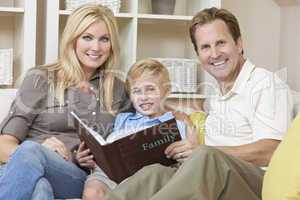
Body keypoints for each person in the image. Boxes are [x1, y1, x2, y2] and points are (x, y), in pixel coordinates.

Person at [100, 7, 293, 200]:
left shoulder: (265, 84)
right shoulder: (216, 93)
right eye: (205, 47)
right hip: (215, 177)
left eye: (221, 43)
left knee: (206, 157)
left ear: (239, 44)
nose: (215, 53)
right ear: (198, 54)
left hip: (257, 186)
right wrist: (188, 142)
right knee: (155, 173)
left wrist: (203, 152)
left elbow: (271, 150)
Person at [0, 4, 131, 200]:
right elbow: (3, 146)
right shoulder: (41, 78)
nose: (96, 47)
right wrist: (42, 152)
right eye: (87, 37)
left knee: (33, 155)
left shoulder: (119, 88)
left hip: (72, 176)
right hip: (24, 168)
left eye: (104, 39)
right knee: (40, 187)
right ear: (73, 39)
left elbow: (138, 135)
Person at [82, 58, 199, 200]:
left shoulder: (177, 124)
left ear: (167, 91)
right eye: (136, 91)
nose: (143, 97)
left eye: (150, 89)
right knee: (92, 191)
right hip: (116, 175)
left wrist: (186, 152)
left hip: (150, 179)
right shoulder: (122, 119)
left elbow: (190, 162)